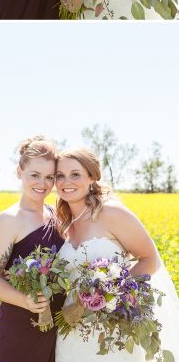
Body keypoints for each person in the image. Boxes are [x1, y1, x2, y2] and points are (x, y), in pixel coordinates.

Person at [55, 147, 179, 361]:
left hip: (110, 326)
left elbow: (151, 259)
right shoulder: (63, 222)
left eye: (75, 174)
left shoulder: (111, 212)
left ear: (92, 177)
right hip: (73, 326)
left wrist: (106, 294)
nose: (67, 182)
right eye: (60, 176)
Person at [0, 136, 62, 362]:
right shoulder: (8, 220)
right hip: (20, 326)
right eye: (34, 175)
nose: (43, 183)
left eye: (49, 177)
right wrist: (25, 300)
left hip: (56, 325)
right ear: (19, 172)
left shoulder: (56, 214)